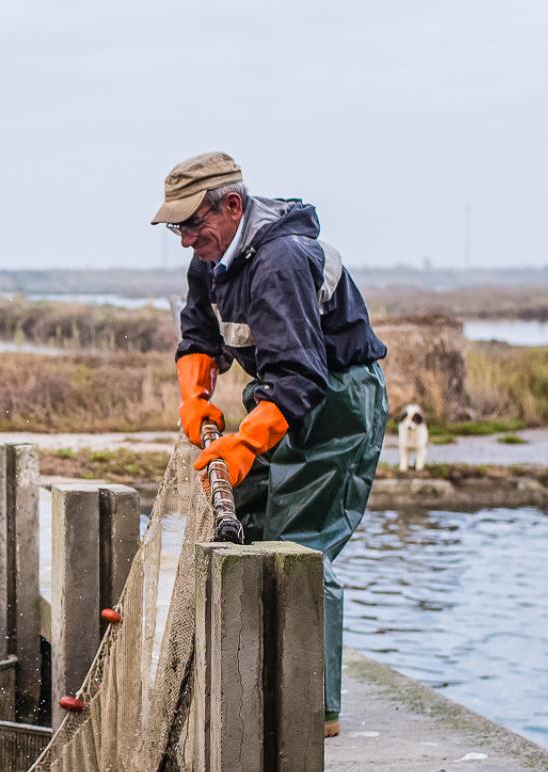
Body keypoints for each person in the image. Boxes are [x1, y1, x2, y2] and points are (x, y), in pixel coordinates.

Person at [153, 151, 387, 738]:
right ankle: (251, 676)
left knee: (300, 543)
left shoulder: (280, 260)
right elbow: (199, 333)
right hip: (283, 392)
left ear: (232, 206)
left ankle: (315, 712)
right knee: (247, 522)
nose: (185, 239)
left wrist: (243, 444)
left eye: (192, 224)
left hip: (336, 402)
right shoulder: (212, 257)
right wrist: (195, 395)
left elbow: (303, 378)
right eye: (176, 227)